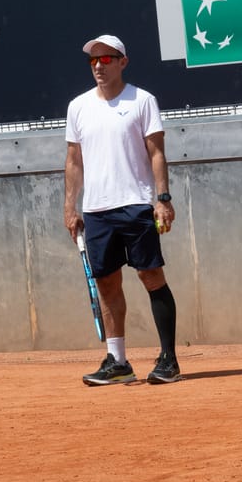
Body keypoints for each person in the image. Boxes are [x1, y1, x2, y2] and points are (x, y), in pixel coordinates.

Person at [64, 34, 181, 386]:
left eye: (106, 59)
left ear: (122, 62)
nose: (98, 66)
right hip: (97, 210)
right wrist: (71, 207)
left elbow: (156, 153)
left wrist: (162, 199)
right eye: (93, 61)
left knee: (151, 277)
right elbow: (73, 161)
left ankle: (169, 360)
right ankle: (118, 362)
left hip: (136, 205)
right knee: (107, 285)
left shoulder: (143, 101)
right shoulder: (78, 107)